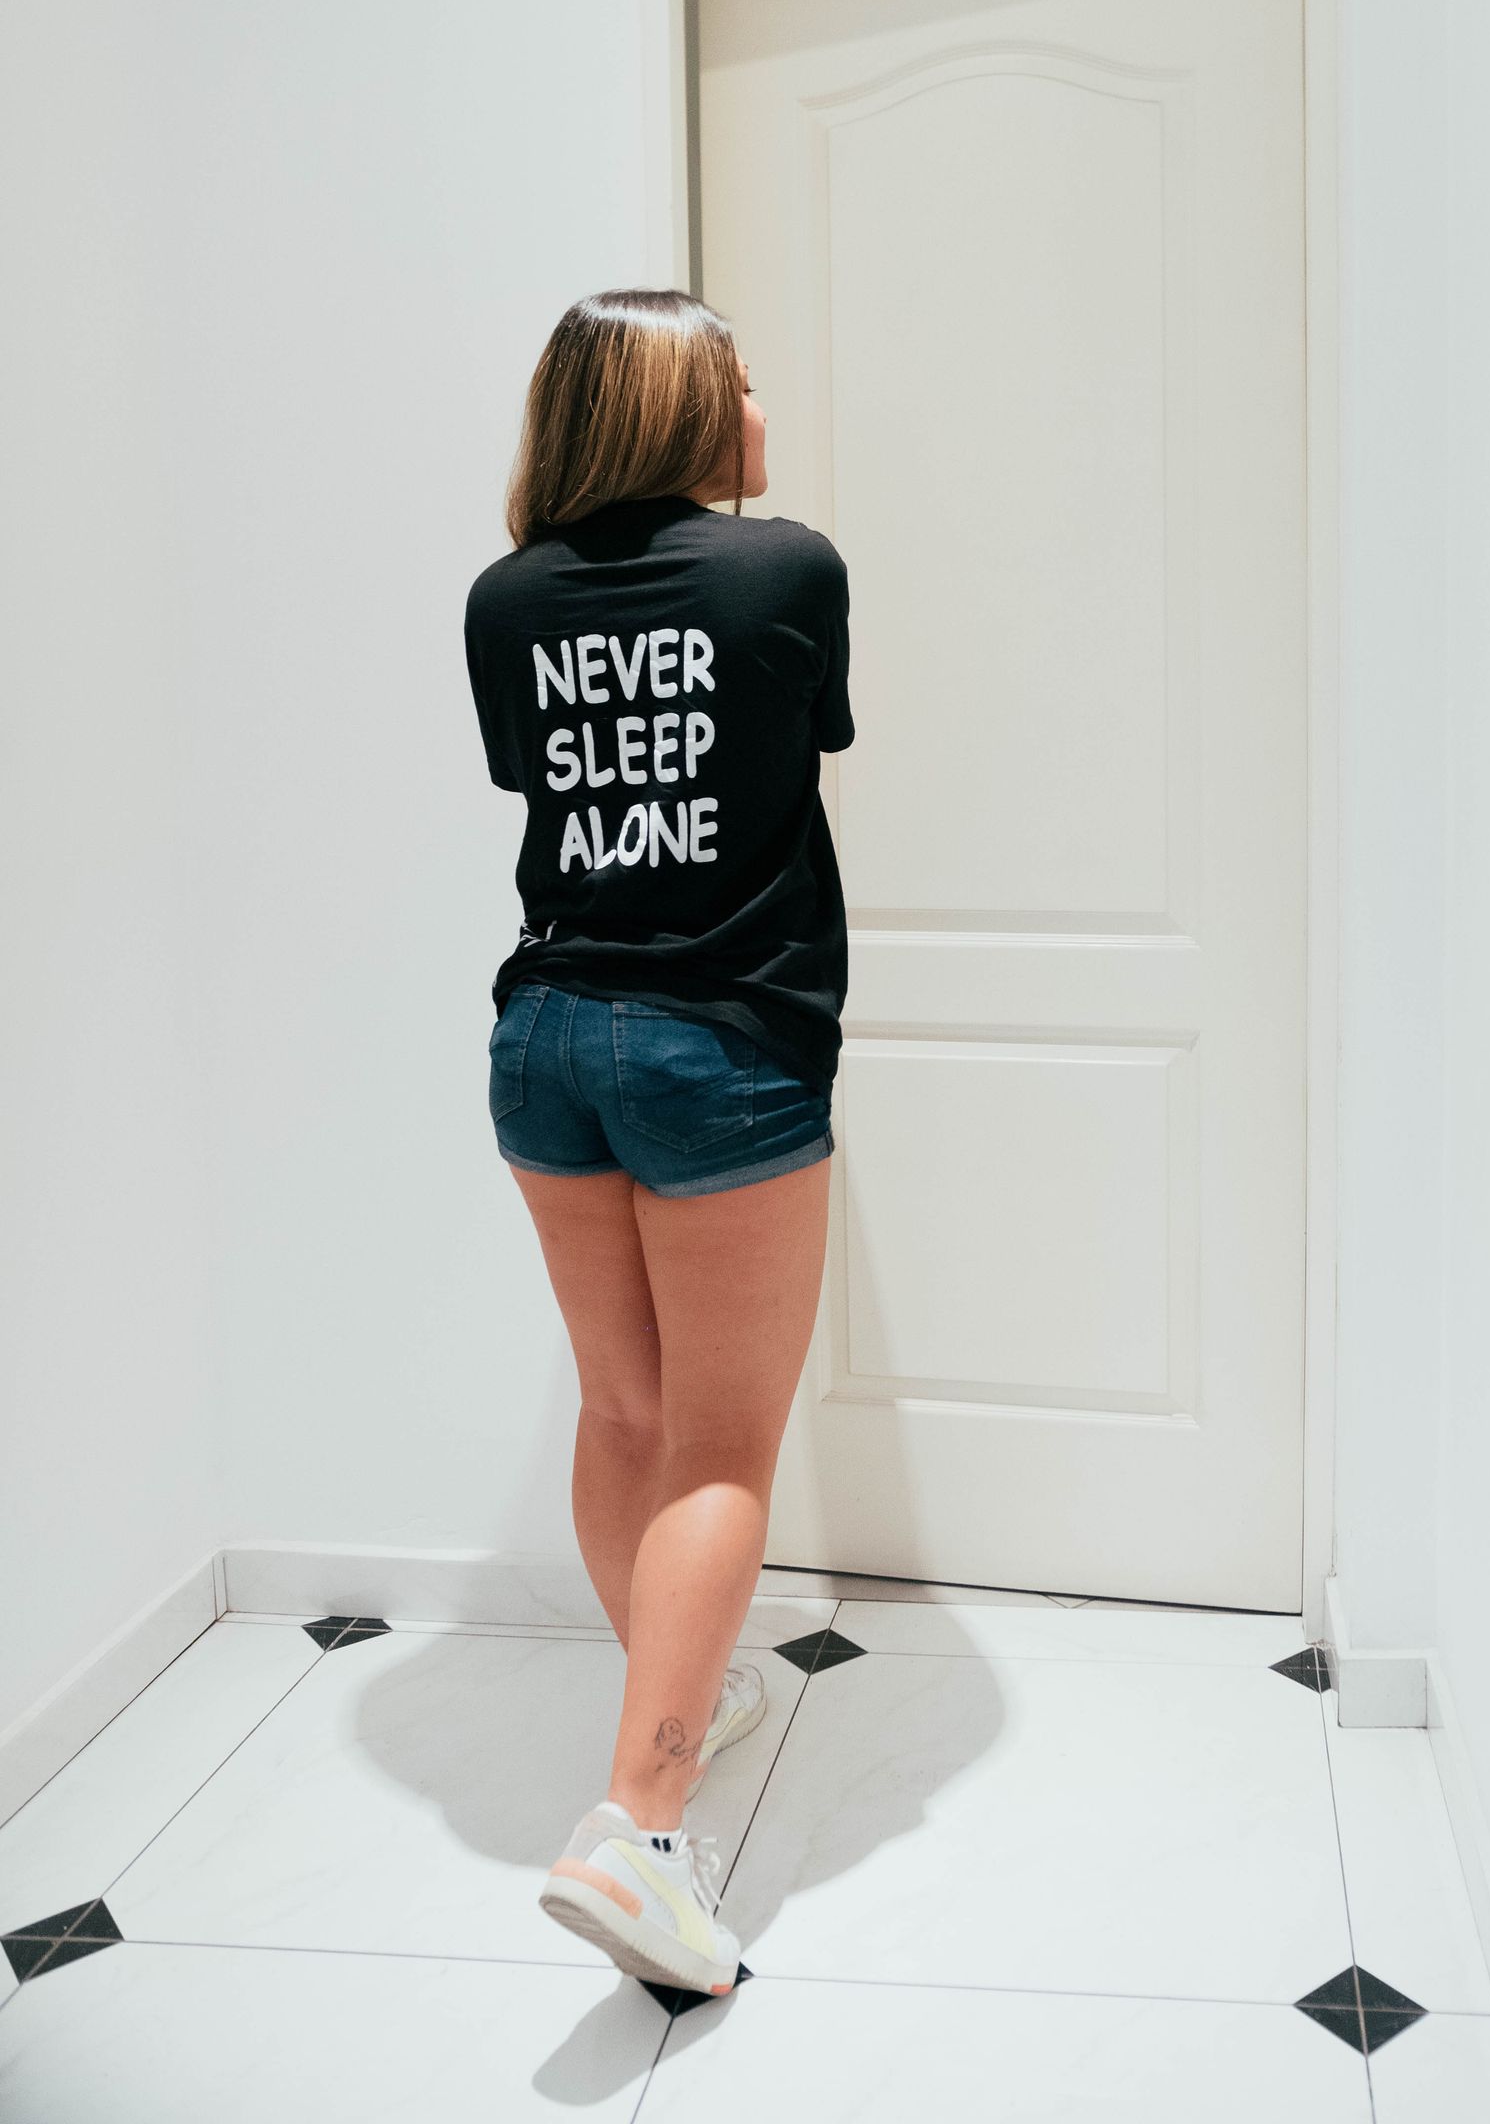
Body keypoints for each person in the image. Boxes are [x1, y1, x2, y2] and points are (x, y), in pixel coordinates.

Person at [462, 288, 854, 1997]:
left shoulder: (504, 602)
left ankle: (668, 1695)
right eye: (742, 378)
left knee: (624, 1410)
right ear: (683, 408)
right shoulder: (786, 573)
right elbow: (795, 750)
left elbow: (541, 785)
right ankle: (642, 1830)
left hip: (543, 1037)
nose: (765, 400)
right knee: (718, 1451)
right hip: (723, 1047)